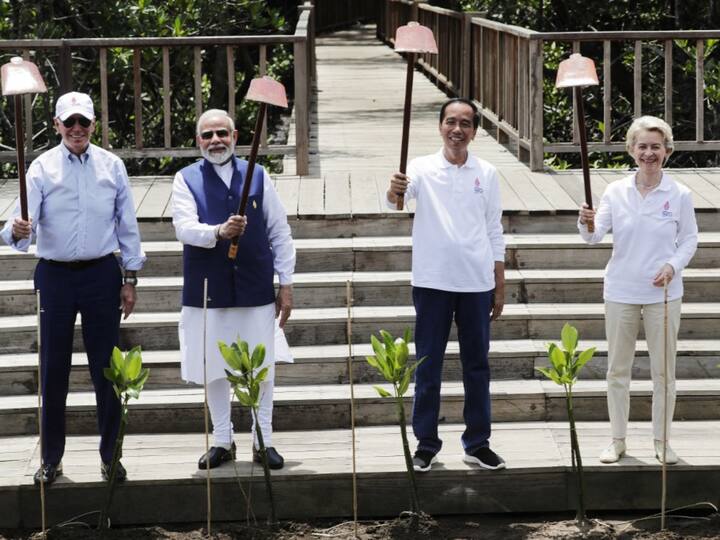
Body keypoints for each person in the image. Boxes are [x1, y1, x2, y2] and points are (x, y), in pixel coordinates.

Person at [0, 91, 145, 485]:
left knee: (108, 372)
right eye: (70, 123)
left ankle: (111, 457)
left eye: (84, 122)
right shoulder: (41, 169)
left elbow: (127, 225)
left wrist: (130, 277)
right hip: (55, 275)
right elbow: (15, 232)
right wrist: (16, 230)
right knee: (53, 370)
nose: (77, 129)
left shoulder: (112, 166)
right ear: (57, 125)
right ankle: (51, 459)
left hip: (102, 273)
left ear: (94, 125)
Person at [386, 98, 506, 472]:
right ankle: (426, 442)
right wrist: (395, 189)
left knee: (477, 366)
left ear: (474, 130)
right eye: (451, 122)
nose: (457, 129)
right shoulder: (421, 167)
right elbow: (397, 203)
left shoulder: (486, 173)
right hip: (433, 280)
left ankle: (477, 442)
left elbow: (494, 230)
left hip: (475, 281)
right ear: (440, 126)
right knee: (428, 364)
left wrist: (498, 282)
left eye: (465, 123)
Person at [172, 109, 295, 470]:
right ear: (198, 141)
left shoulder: (258, 175)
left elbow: (279, 231)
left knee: (262, 366)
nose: (215, 141)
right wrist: (218, 232)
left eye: (222, 133)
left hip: (255, 283)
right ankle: (223, 440)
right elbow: (183, 227)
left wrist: (286, 282)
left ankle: (263, 439)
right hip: (207, 288)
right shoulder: (185, 179)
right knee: (212, 365)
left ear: (235, 135)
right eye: (207, 135)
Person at [579, 116, 698, 465]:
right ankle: (617, 440)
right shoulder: (616, 191)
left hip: (664, 294)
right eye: (642, 146)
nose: (649, 153)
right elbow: (593, 236)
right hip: (620, 291)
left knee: (664, 372)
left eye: (655, 147)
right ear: (632, 150)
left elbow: (689, 239)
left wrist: (672, 266)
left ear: (667, 151)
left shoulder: (679, 194)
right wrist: (585, 221)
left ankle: (662, 441)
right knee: (618, 370)